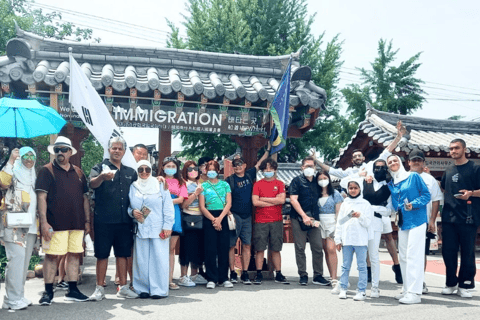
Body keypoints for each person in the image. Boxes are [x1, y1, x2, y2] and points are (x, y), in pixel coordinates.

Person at [314, 122, 405, 284]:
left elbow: (387, 152)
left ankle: (396, 266)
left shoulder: (371, 166)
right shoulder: (348, 173)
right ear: (351, 159)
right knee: (367, 240)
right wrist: (316, 160)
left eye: (359, 156)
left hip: (381, 205)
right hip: (364, 209)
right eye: (354, 156)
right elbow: (330, 171)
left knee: (389, 237)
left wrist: (398, 137)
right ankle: (368, 270)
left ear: (363, 157)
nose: (357, 158)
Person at [35, 136, 90, 305]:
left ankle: (72, 290)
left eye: (63, 149)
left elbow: (85, 198)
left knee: (74, 255)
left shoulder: (79, 172)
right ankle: (48, 292)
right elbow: (41, 198)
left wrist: (87, 221)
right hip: (54, 223)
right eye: (57, 149)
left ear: (70, 152)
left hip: (77, 222)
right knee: (51, 256)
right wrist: (44, 222)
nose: (60, 152)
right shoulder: (47, 170)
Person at [89, 137, 138, 301]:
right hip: (103, 220)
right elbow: (92, 184)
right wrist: (102, 177)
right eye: (114, 148)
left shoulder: (131, 172)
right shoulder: (99, 168)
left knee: (123, 254)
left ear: (124, 151)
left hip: (125, 221)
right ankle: (99, 288)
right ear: (109, 150)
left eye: (120, 148)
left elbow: (140, 189)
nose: (117, 151)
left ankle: (123, 287)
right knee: (102, 254)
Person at [387, 154, 430, 304]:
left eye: (395, 160)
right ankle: (406, 289)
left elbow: (426, 195)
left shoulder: (413, 177)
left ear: (400, 162)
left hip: (417, 220)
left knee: (414, 256)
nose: (393, 163)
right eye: (390, 162)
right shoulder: (392, 183)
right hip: (403, 222)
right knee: (404, 256)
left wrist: (414, 203)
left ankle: (415, 293)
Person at [129, 160, 174, 299]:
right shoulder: (133, 186)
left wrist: (168, 226)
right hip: (141, 227)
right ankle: (142, 288)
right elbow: (128, 206)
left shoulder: (160, 184)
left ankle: (159, 290)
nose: (144, 172)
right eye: (140, 169)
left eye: (147, 169)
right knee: (141, 259)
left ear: (151, 170)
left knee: (159, 259)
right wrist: (132, 212)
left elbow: (168, 206)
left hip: (158, 228)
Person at [440, 139, 480, 298]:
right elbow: (443, 187)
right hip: (449, 217)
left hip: (468, 217)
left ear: (465, 149)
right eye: (451, 148)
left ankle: (466, 284)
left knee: (467, 252)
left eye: (456, 148)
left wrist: (471, 193)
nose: (453, 151)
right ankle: (451, 283)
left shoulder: (475, 168)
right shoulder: (448, 169)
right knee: (448, 252)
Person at [0, 147, 38, 310]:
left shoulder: (33, 176)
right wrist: (11, 160)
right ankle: (11, 298)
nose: (29, 159)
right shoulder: (12, 172)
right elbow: (3, 182)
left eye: (32, 156)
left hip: (29, 226)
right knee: (15, 260)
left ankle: (18, 296)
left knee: (23, 262)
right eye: (25, 156)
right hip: (14, 227)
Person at [226, 150, 269, 284]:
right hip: (234, 215)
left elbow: (259, 163)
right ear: (232, 167)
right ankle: (232, 272)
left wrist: (268, 150)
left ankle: (244, 273)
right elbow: (224, 198)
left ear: (245, 165)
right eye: (235, 165)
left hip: (248, 216)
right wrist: (228, 213)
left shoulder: (250, 174)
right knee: (231, 245)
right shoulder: (229, 180)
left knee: (247, 245)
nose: (238, 166)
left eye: (240, 164)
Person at [289, 156, 330, 286]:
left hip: (315, 218)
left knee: (317, 247)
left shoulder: (318, 181)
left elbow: (327, 191)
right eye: (307, 166)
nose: (309, 168)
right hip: (298, 217)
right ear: (302, 167)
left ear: (315, 167)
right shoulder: (296, 181)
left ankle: (318, 275)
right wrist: (304, 216)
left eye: (311, 166)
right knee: (300, 247)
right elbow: (293, 199)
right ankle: (303, 274)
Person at [407, 149, 443, 294]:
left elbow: (435, 200)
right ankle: (407, 283)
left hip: (423, 221)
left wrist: (432, 220)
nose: (416, 162)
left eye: (419, 160)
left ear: (423, 163)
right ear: (408, 162)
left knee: (421, 253)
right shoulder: (404, 177)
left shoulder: (430, 179)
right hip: (407, 221)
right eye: (413, 160)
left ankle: (419, 281)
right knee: (406, 253)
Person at [360, 159, 395, 298]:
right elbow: (347, 184)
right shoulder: (364, 182)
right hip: (361, 223)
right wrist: (365, 174)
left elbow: (388, 210)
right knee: (361, 255)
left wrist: (372, 208)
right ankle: (361, 287)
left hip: (376, 223)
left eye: (382, 167)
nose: (379, 170)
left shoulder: (390, 187)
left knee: (373, 256)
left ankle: (375, 287)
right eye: (376, 167)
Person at [334, 179, 373, 301]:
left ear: (360, 189)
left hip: (360, 240)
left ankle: (361, 291)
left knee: (362, 266)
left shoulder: (365, 204)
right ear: (347, 189)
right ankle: (343, 288)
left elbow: (368, 223)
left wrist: (360, 216)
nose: (353, 190)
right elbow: (340, 222)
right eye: (350, 188)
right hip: (347, 240)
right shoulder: (345, 203)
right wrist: (338, 239)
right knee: (345, 266)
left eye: (355, 188)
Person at [251, 158, 288, 285]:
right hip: (260, 221)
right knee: (260, 249)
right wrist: (274, 199)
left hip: (276, 220)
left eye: (270, 168)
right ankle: (259, 273)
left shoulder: (280, 183)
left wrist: (264, 199)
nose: (268, 170)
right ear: (262, 170)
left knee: (276, 248)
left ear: (275, 169)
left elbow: (282, 200)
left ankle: (278, 273)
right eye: (266, 168)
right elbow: (255, 202)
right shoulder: (257, 184)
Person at [199, 160, 233, 289]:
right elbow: (202, 206)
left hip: (223, 215)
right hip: (209, 216)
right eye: (209, 169)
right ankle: (211, 277)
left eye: (214, 169)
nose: (211, 171)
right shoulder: (203, 186)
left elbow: (228, 203)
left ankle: (224, 277)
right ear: (206, 171)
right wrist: (214, 220)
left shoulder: (225, 185)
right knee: (210, 249)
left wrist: (220, 219)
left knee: (223, 248)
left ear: (218, 171)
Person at [158, 156, 187, 290]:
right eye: (168, 166)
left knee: (171, 249)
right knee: (158, 248)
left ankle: (169, 279)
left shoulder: (181, 182)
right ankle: (158, 278)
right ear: (163, 167)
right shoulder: (157, 181)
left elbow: (181, 199)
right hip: (158, 216)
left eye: (173, 166)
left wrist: (166, 201)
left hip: (174, 216)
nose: (170, 168)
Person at [179, 160, 208, 286]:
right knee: (186, 247)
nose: (193, 171)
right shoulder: (183, 184)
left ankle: (194, 274)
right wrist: (195, 194)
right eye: (189, 169)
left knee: (198, 247)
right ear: (185, 171)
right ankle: (183, 276)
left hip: (200, 218)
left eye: (195, 168)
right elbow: (184, 204)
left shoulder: (201, 183)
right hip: (187, 217)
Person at [316, 171, 343, 292]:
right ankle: (331, 275)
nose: (323, 180)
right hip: (319, 223)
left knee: (331, 249)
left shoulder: (335, 194)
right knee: (325, 250)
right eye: (320, 179)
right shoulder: (315, 193)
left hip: (332, 222)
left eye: (325, 178)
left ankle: (334, 277)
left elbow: (339, 212)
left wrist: (338, 227)